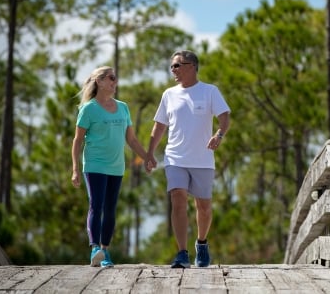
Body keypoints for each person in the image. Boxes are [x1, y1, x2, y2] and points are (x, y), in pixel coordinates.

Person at [145, 50, 231, 268]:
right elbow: (159, 126)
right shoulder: (168, 95)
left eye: (177, 65)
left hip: (203, 160)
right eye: (171, 66)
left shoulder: (210, 91)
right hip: (175, 158)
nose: (173, 70)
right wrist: (150, 153)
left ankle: (201, 243)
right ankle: (181, 253)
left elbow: (225, 118)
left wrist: (219, 135)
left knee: (203, 207)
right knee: (178, 199)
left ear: (192, 66)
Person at [71, 66, 153, 268]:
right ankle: (94, 249)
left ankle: (105, 251)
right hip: (95, 164)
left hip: (116, 166)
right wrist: (75, 169)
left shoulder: (123, 107)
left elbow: (131, 140)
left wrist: (147, 157)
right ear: (99, 81)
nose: (115, 82)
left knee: (110, 210)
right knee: (96, 205)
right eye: (111, 78)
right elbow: (77, 141)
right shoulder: (89, 109)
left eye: (116, 78)